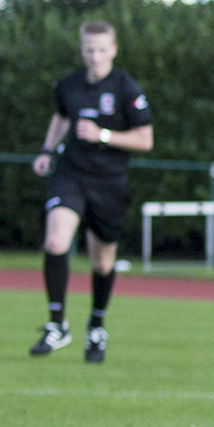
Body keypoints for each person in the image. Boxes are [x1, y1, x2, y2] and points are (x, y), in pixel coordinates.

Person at [30, 20, 154, 363]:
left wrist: (102, 135)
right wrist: (46, 150)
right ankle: (57, 325)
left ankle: (96, 325)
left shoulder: (127, 89)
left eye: (101, 50)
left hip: (109, 182)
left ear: (113, 50)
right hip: (70, 174)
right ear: (82, 50)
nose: (95, 56)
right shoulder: (68, 85)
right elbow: (61, 118)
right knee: (56, 241)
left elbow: (145, 140)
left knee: (102, 262)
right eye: (89, 49)